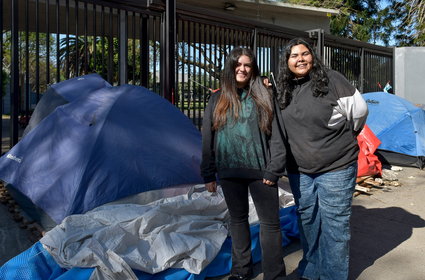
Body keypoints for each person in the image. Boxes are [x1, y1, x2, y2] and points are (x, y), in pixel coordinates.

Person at [275, 38, 368, 280]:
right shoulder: (284, 88)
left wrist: (347, 134)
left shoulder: (332, 79)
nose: (300, 59)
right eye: (294, 56)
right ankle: (311, 270)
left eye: (305, 54)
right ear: (287, 62)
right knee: (308, 222)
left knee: (334, 226)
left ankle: (332, 275)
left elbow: (359, 112)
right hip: (299, 170)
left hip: (336, 167)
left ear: (313, 56)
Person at [200, 47, 286, 280]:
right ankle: (241, 271)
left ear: (253, 68)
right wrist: (208, 173)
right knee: (238, 221)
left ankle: (275, 275)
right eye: (238, 64)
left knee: (270, 224)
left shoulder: (264, 95)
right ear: (230, 67)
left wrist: (274, 168)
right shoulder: (217, 98)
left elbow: (277, 135)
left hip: (262, 171)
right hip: (229, 171)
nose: (242, 68)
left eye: (247, 65)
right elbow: (208, 136)